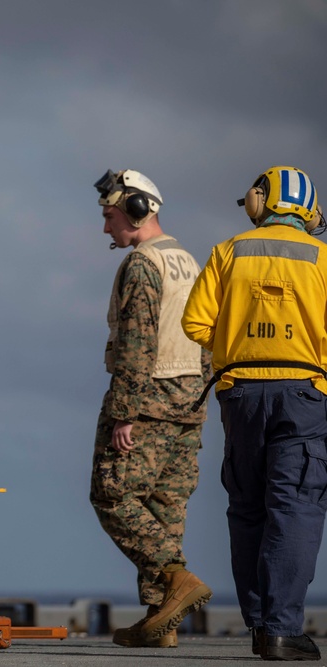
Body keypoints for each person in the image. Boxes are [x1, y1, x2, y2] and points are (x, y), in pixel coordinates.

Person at [182, 165, 327, 662]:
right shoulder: (322, 259)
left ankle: (260, 625)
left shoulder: (229, 252)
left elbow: (195, 323)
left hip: (240, 394)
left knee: (247, 508)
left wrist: (239, 343)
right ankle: (281, 629)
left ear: (263, 199)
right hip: (302, 394)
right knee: (296, 505)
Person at [89, 169, 212, 648]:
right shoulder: (187, 259)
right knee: (165, 506)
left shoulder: (143, 264)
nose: (106, 228)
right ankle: (162, 622)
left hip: (148, 402)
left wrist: (124, 412)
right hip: (190, 404)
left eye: (110, 215)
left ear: (138, 210)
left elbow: (138, 342)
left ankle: (176, 578)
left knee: (112, 495)